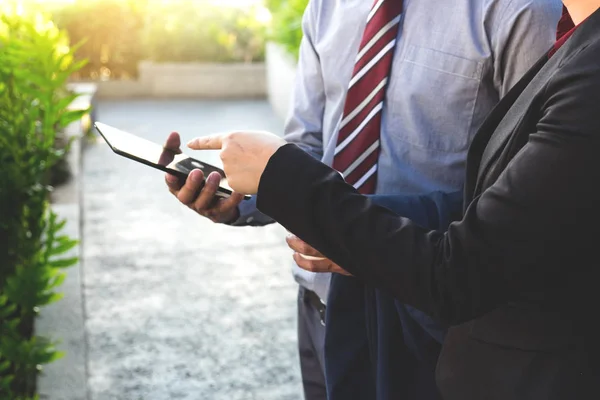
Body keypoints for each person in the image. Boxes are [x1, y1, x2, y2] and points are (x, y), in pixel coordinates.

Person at [183, 1, 600, 398]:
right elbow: (307, 143)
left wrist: (293, 183)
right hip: (319, 298)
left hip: (425, 314)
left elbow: (530, 189)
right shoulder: (328, 5)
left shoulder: (523, 10)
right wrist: (240, 198)